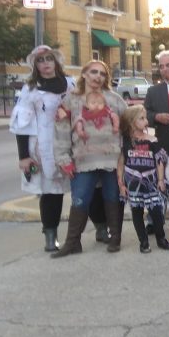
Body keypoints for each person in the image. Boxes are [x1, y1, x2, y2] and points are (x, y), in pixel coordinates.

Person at [52, 60, 127, 257]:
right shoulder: (71, 100)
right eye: (93, 72)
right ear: (84, 74)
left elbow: (128, 127)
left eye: (102, 74)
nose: (97, 77)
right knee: (80, 200)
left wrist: (127, 157)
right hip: (83, 160)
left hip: (112, 160)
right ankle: (72, 243)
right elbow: (61, 131)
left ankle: (115, 238)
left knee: (112, 198)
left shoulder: (116, 100)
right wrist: (63, 159)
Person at [10, 45, 74, 252]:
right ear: (35, 65)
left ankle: (101, 228)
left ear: (56, 61)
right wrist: (24, 157)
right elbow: (22, 124)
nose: (46, 63)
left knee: (87, 186)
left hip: (72, 142)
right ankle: (51, 235)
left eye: (49, 59)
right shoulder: (31, 89)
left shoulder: (72, 83)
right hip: (44, 146)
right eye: (40, 60)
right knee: (51, 192)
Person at [118, 105, 169, 253]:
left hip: (151, 181)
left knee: (156, 211)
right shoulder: (125, 141)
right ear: (131, 122)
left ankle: (161, 238)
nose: (146, 121)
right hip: (133, 182)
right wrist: (121, 184)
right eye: (141, 118)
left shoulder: (152, 140)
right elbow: (121, 163)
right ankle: (143, 241)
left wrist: (161, 180)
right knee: (137, 211)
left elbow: (159, 161)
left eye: (145, 118)